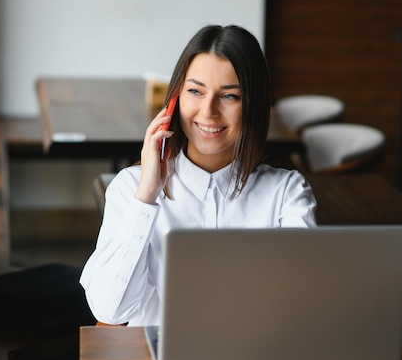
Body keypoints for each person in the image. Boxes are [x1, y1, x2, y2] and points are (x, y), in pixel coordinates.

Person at [80, 24, 316, 326]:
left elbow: (300, 304)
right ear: (175, 100)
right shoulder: (130, 188)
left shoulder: (286, 193)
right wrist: (147, 196)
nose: (208, 111)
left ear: (253, 105)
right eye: (195, 91)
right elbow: (109, 310)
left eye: (229, 96)